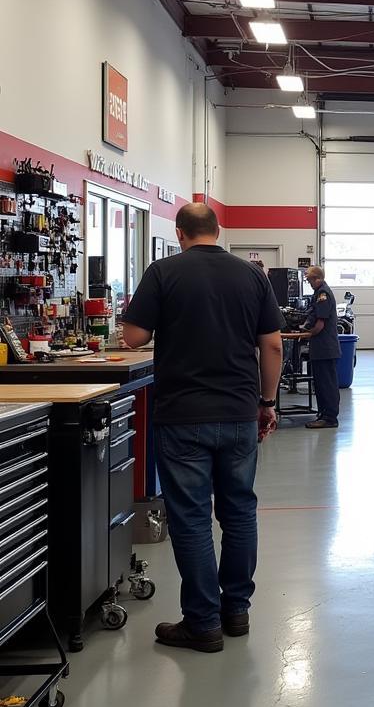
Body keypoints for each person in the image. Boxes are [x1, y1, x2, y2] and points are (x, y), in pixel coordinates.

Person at [122, 203, 284, 653]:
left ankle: (203, 622)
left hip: (182, 416)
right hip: (237, 414)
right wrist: (266, 403)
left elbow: (133, 337)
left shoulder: (163, 272)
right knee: (238, 513)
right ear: (217, 230)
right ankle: (236, 612)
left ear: (179, 233)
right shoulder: (252, 275)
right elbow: (271, 344)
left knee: (191, 520)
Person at [287, 266, 342, 430]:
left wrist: (305, 334)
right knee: (320, 383)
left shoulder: (323, 294)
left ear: (317, 278)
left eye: (310, 280)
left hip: (325, 347)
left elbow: (319, 324)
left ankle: (330, 418)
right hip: (321, 348)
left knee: (326, 384)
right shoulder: (318, 293)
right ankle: (324, 414)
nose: (309, 283)